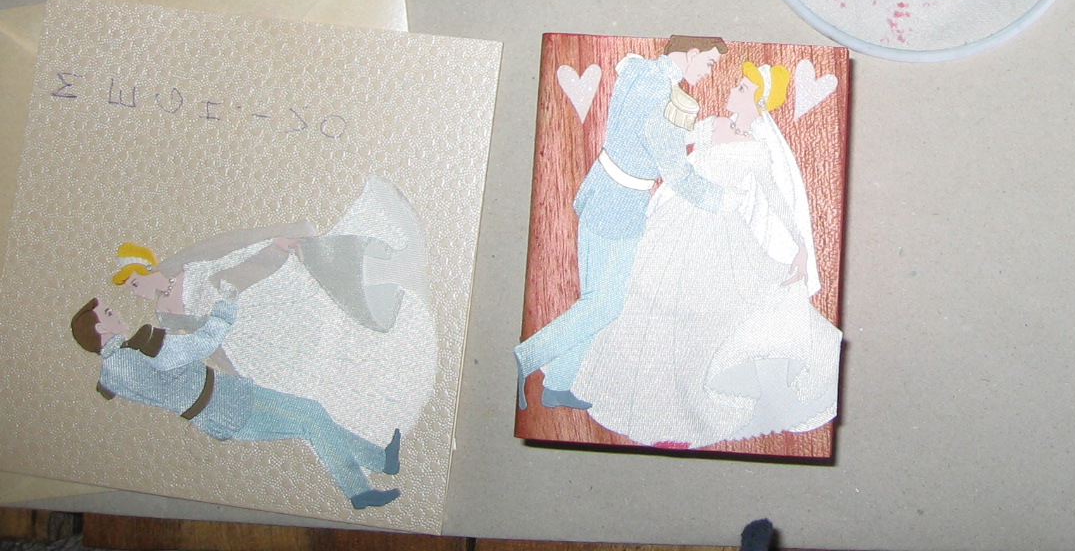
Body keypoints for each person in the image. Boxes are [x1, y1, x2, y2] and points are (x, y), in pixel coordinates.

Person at [571, 62, 842, 449]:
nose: (733, 91)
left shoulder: (756, 150)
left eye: (743, 88)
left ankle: (682, 407)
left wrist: (800, 244)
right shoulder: (711, 125)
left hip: (721, 237)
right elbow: (668, 144)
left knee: (700, 314)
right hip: (676, 221)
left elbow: (776, 198)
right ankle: (620, 390)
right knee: (643, 298)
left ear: (758, 102)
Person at [114, 177, 437, 446]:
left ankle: (384, 288)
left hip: (258, 306)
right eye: (131, 287)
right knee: (300, 373)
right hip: (243, 343)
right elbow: (192, 347)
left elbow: (230, 257)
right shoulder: (164, 312)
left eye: (134, 282)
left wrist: (272, 245)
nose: (136, 292)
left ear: (147, 269)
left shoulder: (189, 270)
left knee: (318, 308)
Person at [515, 36, 735, 411]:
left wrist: (697, 132)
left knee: (595, 299)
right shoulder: (662, 97)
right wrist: (726, 202)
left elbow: (642, 133)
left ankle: (558, 384)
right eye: (709, 63)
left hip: (602, 191)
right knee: (604, 305)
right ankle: (527, 358)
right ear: (692, 53)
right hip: (620, 205)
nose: (708, 72)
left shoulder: (639, 71)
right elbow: (677, 174)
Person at [71, 293, 401, 511]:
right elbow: (201, 345)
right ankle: (359, 491)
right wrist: (224, 309)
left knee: (311, 419)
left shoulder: (110, 375)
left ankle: (380, 460)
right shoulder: (141, 349)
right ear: (101, 327)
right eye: (109, 313)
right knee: (311, 415)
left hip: (213, 411)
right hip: (225, 402)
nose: (117, 314)